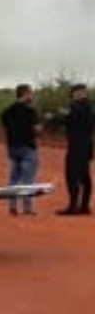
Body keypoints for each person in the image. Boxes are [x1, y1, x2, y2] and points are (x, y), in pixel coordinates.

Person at [0, 83, 40, 215]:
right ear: (25, 94)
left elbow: (4, 125)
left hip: (13, 148)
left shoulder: (7, 111)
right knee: (27, 180)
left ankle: (12, 206)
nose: (32, 96)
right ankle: (27, 208)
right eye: (30, 93)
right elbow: (37, 129)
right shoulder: (31, 111)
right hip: (27, 147)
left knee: (14, 178)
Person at [56, 83, 94, 215]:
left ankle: (73, 207)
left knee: (72, 176)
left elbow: (71, 117)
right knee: (84, 176)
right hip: (86, 145)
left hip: (77, 146)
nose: (79, 94)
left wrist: (64, 114)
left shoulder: (80, 106)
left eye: (81, 92)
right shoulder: (88, 106)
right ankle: (84, 206)